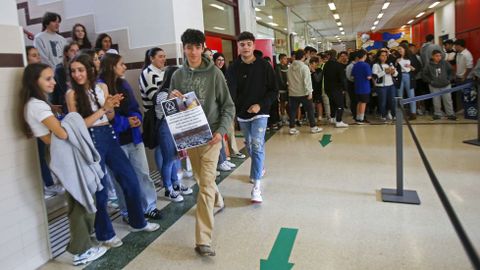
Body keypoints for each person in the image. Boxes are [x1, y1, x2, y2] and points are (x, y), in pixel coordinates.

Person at [66, 54, 159, 248]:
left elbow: (109, 117)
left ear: (91, 70)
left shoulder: (102, 88)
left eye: (80, 70)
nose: (77, 74)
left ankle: (138, 222)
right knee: (100, 191)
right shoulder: (71, 94)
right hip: (90, 140)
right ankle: (105, 234)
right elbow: (79, 125)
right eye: (73, 71)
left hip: (108, 135)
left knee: (130, 179)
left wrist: (111, 107)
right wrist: (103, 109)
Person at [21, 63, 107, 265]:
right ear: (35, 82)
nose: (53, 82)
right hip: (62, 156)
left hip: (63, 154)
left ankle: (84, 243)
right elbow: (62, 133)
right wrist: (72, 118)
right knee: (79, 201)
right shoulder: (36, 105)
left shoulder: (38, 103)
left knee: (81, 199)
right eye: (48, 78)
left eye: (52, 77)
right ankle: (81, 251)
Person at [170, 29, 234, 256]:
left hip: (211, 137)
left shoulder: (215, 73)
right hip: (190, 137)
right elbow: (174, 110)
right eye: (189, 47)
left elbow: (228, 106)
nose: (193, 52)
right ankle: (218, 201)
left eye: (197, 47)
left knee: (205, 184)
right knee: (200, 179)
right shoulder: (177, 75)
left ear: (203, 48)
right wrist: (172, 100)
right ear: (184, 48)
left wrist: (221, 132)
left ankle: (202, 240)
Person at [97, 53, 165, 220]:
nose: (125, 67)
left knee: (143, 174)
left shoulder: (124, 84)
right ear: (112, 66)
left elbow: (134, 107)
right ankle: (127, 211)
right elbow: (103, 117)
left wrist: (137, 119)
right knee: (121, 180)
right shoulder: (100, 87)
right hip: (114, 142)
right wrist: (126, 122)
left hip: (133, 138)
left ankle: (150, 206)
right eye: (121, 64)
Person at [226, 31, 278, 203]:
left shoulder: (264, 66)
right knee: (249, 145)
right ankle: (260, 166)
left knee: (256, 145)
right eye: (242, 44)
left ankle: (256, 187)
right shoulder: (233, 67)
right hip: (242, 114)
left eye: (248, 44)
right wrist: (231, 110)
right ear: (238, 47)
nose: (245, 47)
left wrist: (260, 105)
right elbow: (230, 92)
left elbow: (273, 90)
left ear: (253, 46)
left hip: (260, 113)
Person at [212, 52, 245, 159]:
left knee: (230, 129)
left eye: (222, 60)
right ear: (214, 61)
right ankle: (221, 158)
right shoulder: (212, 74)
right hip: (216, 107)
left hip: (227, 105)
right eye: (218, 60)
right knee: (218, 131)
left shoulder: (227, 73)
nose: (221, 62)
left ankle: (233, 151)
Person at [287, 50, 323, 135]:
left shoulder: (290, 67)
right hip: (304, 93)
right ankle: (313, 127)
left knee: (292, 111)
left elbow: (288, 80)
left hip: (292, 93)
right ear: (303, 57)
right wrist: (309, 92)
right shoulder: (304, 67)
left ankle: (292, 128)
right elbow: (307, 81)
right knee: (310, 110)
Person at [422, 50, 456, 120]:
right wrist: (430, 81)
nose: (439, 57)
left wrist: (449, 80)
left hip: (446, 85)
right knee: (436, 101)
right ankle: (437, 114)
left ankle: (450, 114)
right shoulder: (428, 65)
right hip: (434, 86)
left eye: (440, 56)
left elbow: (451, 71)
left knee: (448, 100)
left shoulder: (445, 63)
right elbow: (424, 74)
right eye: (437, 56)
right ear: (433, 56)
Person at [323, 49, 349, 127]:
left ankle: (333, 118)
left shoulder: (326, 65)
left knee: (332, 103)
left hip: (327, 88)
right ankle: (339, 121)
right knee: (340, 104)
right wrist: (344, 88)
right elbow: (342, 79)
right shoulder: (339, 65)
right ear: (336, 55)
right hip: (337, 88)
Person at [53, 42, 79, 112]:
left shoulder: (79, 66)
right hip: (66, 101)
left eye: (77, 51)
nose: (75, 53)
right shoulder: (60, 69)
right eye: (72, 50)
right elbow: (65, 89)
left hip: (78, 98)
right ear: (66, 53)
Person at [372, 49, 398, 121]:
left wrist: (393, 72)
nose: (384, 57)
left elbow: (396, 74)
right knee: (382, 102)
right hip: (381, 86)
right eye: (382, 55)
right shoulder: (376, 65)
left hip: (391, 85)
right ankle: (383, 115)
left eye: (386, 55)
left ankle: (394, 115)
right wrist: (384, 72)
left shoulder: (389, 64)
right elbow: (375, 76)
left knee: (392, 101)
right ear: (379, 57)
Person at [397, 44, 419, 120]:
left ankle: (413, 113)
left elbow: (417, 68)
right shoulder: (397, 58)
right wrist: (396, 63)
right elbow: (394, 68)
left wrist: (411, 67)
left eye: (400, 49)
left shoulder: (412, 57)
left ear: (405, 49)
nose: (399, 51)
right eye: (398, 49)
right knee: (399, 95)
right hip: (399, 77)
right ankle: (400, 113)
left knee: (411, 95)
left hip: (409, 76)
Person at [352, 50, 372, 124]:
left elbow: (353, 75)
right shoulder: (366, 65)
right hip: (365, 87)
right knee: (363, 103)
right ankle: (361, 118)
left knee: (359, 102)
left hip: (357, 86)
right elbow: (369, 77)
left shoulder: (355, 65)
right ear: (364, 56)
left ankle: (357, 117)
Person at [275, 53, 289, 124]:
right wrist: (284, 85)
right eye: (284, 58)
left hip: (288, 88)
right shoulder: (278, 67)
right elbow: (280, 79)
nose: (286, 60)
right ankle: (283, 117)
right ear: (280, 59)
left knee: (286, 103)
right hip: (281, 88)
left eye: (286, 58)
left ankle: (286, 116)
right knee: (282, 103)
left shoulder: (287, 67)